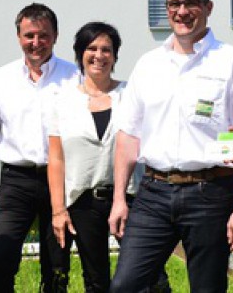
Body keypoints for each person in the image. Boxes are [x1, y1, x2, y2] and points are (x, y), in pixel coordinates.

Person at [108, 0, 233, 292]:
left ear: (208, 7)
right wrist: (119, 198)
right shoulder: (149, 64)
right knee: (125, 285)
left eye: (191, 3)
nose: (182, 11)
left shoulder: (232, 62)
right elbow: (128, 136)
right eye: (174, 4)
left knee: (207, 288)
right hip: (153, 193)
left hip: (210, 193)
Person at [47, 22, 170, 292]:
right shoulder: (62, 100)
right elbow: (56, 159)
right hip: (83, 202)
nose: (99, 55)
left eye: (106, 49)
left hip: (132, 199)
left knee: (152, 279)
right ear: (80, 53)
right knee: (96, 281)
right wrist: (58, 210)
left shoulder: (130, 94)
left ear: (115, 56)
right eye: (92, 48)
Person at [0, 3, 79, 292]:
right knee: (1, 258)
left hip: (61, 182)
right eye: (29, 35)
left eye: (43, 35)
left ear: (55, 36)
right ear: (18, 36)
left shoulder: (75, 78)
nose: (36, 42)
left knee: (57, 266)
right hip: (16, 181)